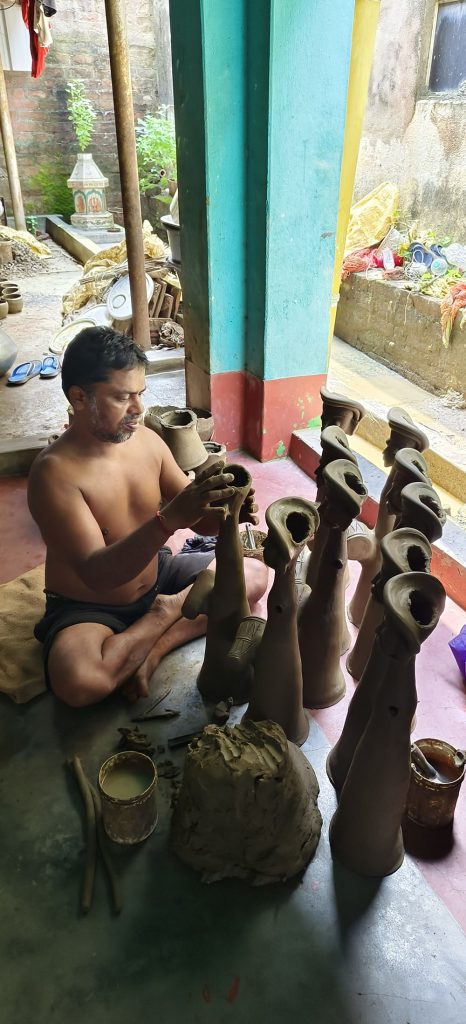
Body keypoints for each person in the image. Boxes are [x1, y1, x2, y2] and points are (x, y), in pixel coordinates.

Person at [28, 326, 268, 707]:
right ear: (79, 397)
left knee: (254, 574)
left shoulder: (148, 441)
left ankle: (154, 645)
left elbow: (199, 520)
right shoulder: (53, 474)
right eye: (122, 397)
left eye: (140, 394)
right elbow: (98, 573)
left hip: (158, 577)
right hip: (90, 605)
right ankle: (166, 618)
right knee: (78, 681)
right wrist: (167, 520)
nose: (138, 409)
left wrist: (227, 510)